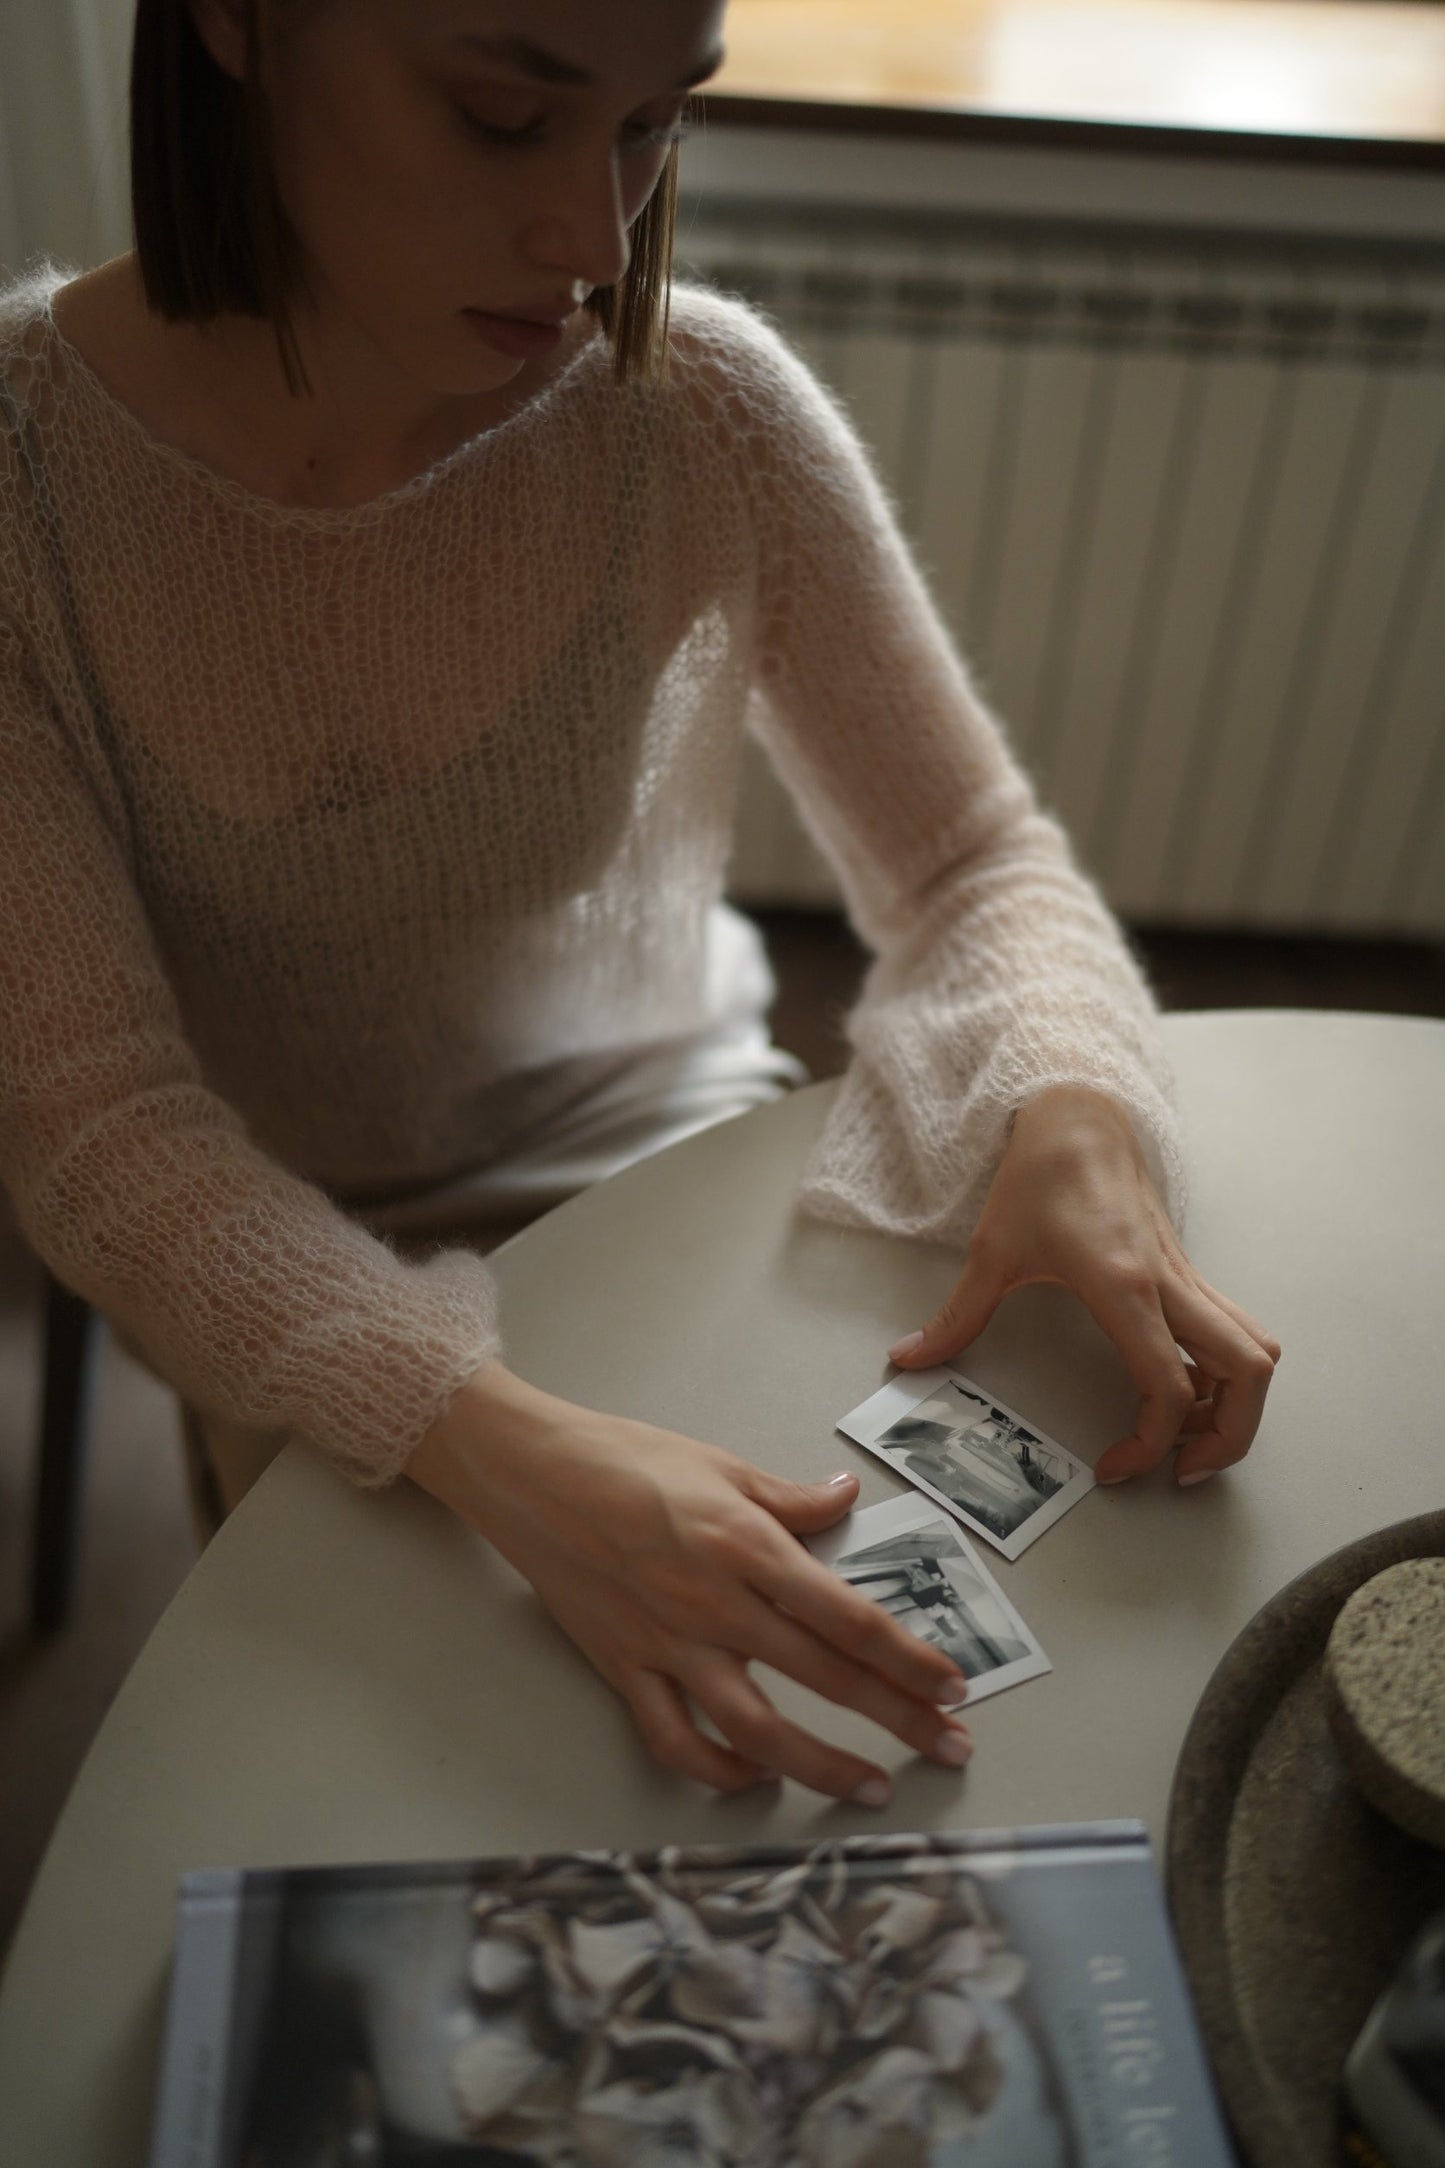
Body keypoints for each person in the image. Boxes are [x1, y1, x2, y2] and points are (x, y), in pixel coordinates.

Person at [0, 0, 1279, 1810]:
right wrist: (491, 1439)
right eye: (501, 114)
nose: (596, 242)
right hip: (284, 1251)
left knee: (979, 1723)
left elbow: (970, 856)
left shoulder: (702, 410)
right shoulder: (21, 493)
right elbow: (103, 1138)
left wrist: (1064, 1102)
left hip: (665, 1153)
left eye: (652, 125)